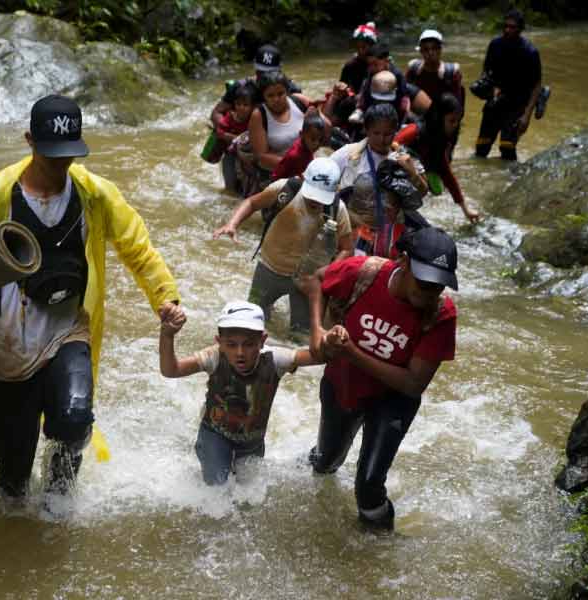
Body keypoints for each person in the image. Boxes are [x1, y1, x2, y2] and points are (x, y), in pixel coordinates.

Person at [0, 94, 181, 498]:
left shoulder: (94, 194)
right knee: (12, 475)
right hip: (6, 341)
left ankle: (59, 506)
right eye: (52, 154)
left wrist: (165, 296)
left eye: (69, 155)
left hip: (68, 329)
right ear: (29, 141)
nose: (62, 164)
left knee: (74, 420)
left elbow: (137, 247)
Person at [305, 227, 459, 530]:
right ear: (403, 261)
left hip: (392, 400)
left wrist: (352, 353)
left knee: (369, 486)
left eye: (438, 286)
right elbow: (318, 280)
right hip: (344, 383)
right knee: (325, 463)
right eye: (424, 282)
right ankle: (318, 457)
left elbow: (413, 383)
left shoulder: (441, 315)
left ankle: (378, 550)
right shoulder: (363, 273)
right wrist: (317, 333)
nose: (430, 293)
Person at [159, 300, 321, 485]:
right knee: (217, 489)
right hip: (215, 435)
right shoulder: (214, 357)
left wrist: (331, 340)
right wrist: (167, 335)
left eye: (249, 344)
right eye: (231, 344)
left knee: (249, 494)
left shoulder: (274, 359)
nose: (240, 352)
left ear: (262, 341)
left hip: (252, 440)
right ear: (219, 342)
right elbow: (171, 370)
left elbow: (318, 355)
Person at [214, 157, 352, 336]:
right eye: (312, 195)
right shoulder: (284, 190)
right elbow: (252, 203)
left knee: (300, 334)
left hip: (305, 280)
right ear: (302, 178)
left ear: (335, 190)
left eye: (321, 198)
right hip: (269, 268)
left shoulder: (337, 209)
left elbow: (347, 248)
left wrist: (325, 273)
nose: (316, 202)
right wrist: (232, 224)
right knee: (251, 322)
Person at [331, 103, 428, 258]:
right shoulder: (348, 155)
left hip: (389, 234)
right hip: (353, 231)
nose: (382, 139)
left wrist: (412, 173)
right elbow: (324, 180)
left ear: (396, 131)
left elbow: (422, 194)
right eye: (376, 133)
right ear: (366, 130)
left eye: (388, 134)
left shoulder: (405, 158)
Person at [395, 93, 481, 223]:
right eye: (452, 121)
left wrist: (465, 209)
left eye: (458, 121)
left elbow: (446, 173)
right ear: (438, 117)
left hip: (418, 174)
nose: (455, 125)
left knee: (437, 189)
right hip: (397, 175)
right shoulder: (413, 132)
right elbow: (390, 145)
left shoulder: (440, 140)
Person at [474, 9, 542, 161]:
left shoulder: (530, 52)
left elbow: (536, 84)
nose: (507, 30)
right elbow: (486, 69)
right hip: (497, 97)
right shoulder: (495, 45)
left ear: (520, 29)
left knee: (507, 149)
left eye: (512, 27)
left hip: (518, 101)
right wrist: (484, 85)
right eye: (505, 26)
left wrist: (526, 116)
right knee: (481, 148)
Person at [210, 44, 302, 129]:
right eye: (261, 72)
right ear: (255, 68)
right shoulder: (240, 87)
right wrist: (226, 129)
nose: (265, 76)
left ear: (280, 71)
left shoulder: (291, 89)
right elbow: (217, 112)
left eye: (270, 73)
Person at [210, 85, 255, 193]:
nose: (241, 108)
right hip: (230, 154)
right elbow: (219, 131)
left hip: (247, 157)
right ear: (234, 105)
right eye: (238, 104)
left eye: (245, 105)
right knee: (230, 188)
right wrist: (233, 137)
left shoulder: (254, 119)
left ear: (252, 107)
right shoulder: (230, 117)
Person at [405, 29, 465, 109]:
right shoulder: (413, 69)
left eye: (434, 48)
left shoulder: (451, 72)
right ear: (421, 51)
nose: (430, 53)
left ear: (440, 50)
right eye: (426, 49)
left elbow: (457, 104)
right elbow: (404, 97)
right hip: (419, 115)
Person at [270, 112, 326, 181]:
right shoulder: (294, 155)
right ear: (301, 134)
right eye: (313, 139)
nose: (317, 144)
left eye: (320, 140)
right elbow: (277, 176)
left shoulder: (308, 147)